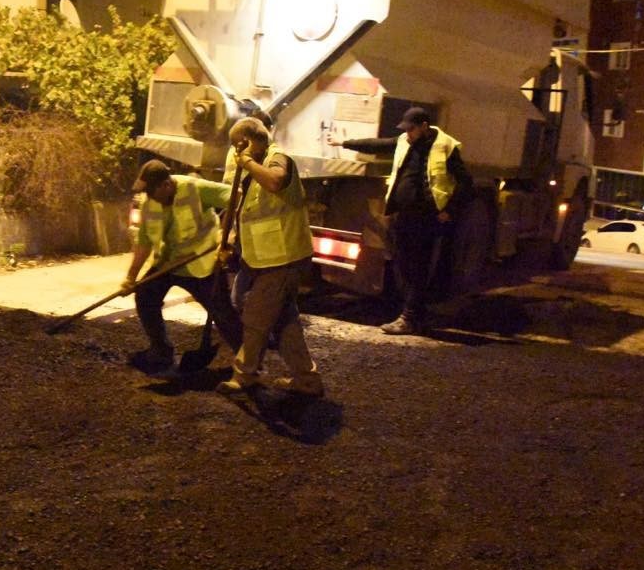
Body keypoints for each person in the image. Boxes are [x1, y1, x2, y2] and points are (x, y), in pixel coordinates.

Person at [332, 106, 473, 335]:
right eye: (405, 129)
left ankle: (409, 318)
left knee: (417, 267)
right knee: (404, 265)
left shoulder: (445, 147)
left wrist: (450, 210)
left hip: (426, 217)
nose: (408, 133)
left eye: (412, 129)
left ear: (424, 127)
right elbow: (377, 145)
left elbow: (466, 182)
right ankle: (415, 314)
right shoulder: (404, 141)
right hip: (403, 216)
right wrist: (344, 142)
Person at [217, 117, 324, 397]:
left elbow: (276, 182)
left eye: (238, 147)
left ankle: (245, 375)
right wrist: (226, 240)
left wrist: (248, 162)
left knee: (256, 317)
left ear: (249, 143)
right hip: (266, 258)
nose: (235, 153)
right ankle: (307, 380)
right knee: (284, 321)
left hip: (284, 257)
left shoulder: (278, 160)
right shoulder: (252, 170)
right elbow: (240, 207)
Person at [121, 160, 243, 375]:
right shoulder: (150, 203)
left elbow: (237, 196)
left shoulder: (194, 188)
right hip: (168, 265)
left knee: (223, 314)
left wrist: (229, 233)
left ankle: (248, 362)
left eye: (152, 190)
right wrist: (131, 277)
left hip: (202, 265)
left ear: (166, 184)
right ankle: (161, 353)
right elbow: (144, 242)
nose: (148, 196)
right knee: (145, 295)